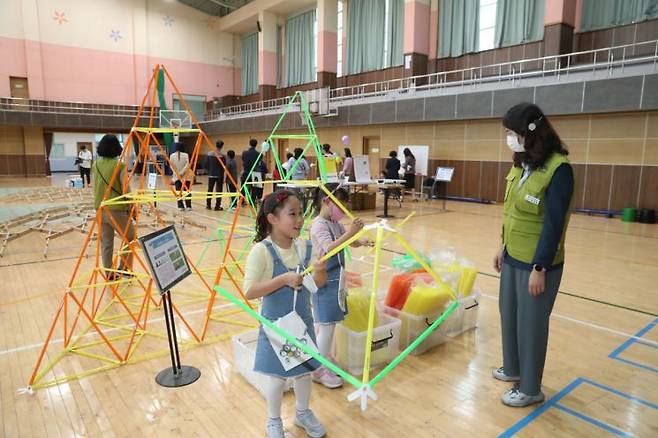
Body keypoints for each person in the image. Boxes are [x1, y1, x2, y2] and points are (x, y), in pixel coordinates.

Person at [493, 102, 574, 407]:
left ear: (531, 132)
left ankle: (530, 388)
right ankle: (513, 369)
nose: (508, 138)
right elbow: (510, 211)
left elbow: (554, 224)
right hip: (513, 255)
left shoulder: (559, 169)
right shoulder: (521, 163)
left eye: (511, 132)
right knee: (509, 315)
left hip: (538, 264)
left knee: (531, 324)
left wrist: (540, 266)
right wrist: (501, 246)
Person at [243, 190, 328, 438]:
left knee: (304, 372)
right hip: (276, 327)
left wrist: (321, 270)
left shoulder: (304, 247)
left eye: (301, 213)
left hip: (301, 324)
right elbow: (249, 290)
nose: (300, 219)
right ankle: (273, 421)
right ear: (272, 219)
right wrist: (283, 279)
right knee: (277, 377)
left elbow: (318, 283)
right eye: (293, 214)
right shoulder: (262, 251)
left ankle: (302, 413)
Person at [309, 184, 370, 389]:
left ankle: (325, 357)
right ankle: (317, 368)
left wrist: (360, 239)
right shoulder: (318, 224)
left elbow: (349, 240)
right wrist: (351, 232)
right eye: (340, 207)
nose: (342, 212)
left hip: (337, 280)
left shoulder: (334, 222)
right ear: (326, 202)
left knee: (331, 324)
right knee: (326, 326)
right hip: (323, 281)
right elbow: (329, 248)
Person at [92, 134, 136, 280]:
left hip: (99, 207)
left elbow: (95, 187)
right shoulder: (120, 165)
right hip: (115, 208)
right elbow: (125, 189)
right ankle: (124, 269)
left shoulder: (95, 164)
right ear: (117, 147)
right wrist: (132, 205)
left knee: (107, 242)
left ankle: (109, 272)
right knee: (131, 237)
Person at [170, 143, 192, 211]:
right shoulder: (186, 155)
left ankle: (180, 206)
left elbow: (171, 166)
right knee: (187, 191)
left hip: (176, 177)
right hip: (186, 177)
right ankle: (188, 206)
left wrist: (177, 173)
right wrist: (182, 173)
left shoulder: (172, 155)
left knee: (178, 192)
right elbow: (187, 165)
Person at [206, 141, 226, 211]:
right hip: (219, 175)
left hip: (211, 175)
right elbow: (223, 167)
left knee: (210, 190)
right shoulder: (222, 156)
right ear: (222, 146)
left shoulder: (209, 154)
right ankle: (217, 206)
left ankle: (208, 205)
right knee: (219, 191)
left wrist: (209, 171)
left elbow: (206, 164)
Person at [242, 139, 261, 204]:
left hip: (246, 172)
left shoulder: (244, 153)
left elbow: (243, 160)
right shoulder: (258, 154)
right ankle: (252, 201)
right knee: (254, 188)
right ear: (256, 144)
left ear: (250, 144)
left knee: (244, 187)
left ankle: (241, 201)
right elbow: (258, 163)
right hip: (254, 172)